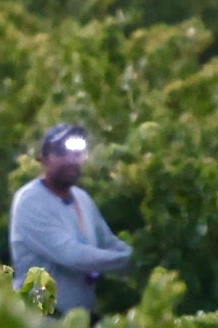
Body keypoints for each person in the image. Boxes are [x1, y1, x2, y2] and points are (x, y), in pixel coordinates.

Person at [8, 122, 131, 316]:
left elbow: (107, 242)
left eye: (77, 154)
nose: (71, 160)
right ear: (44, 159)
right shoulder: (30, 201)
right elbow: (72, 255)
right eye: (61, 153)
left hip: (79, 318)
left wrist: (143, 258)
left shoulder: (82, 198)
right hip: (40, 319)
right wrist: (126, 260)